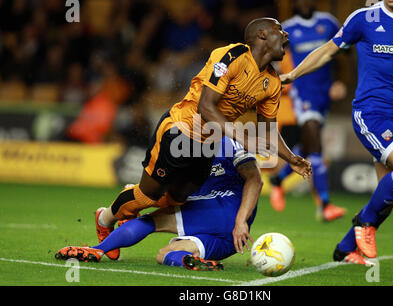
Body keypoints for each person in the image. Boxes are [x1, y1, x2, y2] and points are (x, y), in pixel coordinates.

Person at [87, 17, 312, 260]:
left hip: (208, 144)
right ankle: (105, 217)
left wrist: (291, 158)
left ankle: (128, 205)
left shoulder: (273, 83)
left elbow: (268, 129)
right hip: (180, 130)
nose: (286, 36)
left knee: (178, 197)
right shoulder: (231, 56)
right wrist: (242, 137)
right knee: (147, 195)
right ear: (262, 35)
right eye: (280, 30)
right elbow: (206, 106)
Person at [280, 0, 393, 264]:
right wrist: (292, 75)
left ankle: (346, 247)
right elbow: (327, 52)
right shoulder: (363, 19)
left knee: (388, 197)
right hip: (370, 112)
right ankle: (364, 221)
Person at [55, 136, 262, 271]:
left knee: (150, 220)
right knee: (164, 255)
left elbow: (255, 180)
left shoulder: (209, 144)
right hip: (231, 241)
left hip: (224, 213)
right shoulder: (230, 143)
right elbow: (255, 178)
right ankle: (186, 260)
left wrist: (239, 220)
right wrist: (243, 223)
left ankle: (98, 249)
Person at [269, 0, 347, 222]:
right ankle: (324, 204)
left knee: (309, 144)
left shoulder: (328, 23)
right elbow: (273, 57)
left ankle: (278, 179)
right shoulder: (287, 27)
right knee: (316, 146)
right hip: (302, 94)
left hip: (324, 94)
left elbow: (343, 54)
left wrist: (340, 81)